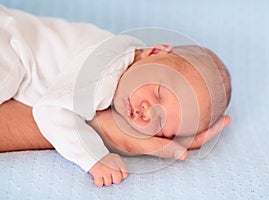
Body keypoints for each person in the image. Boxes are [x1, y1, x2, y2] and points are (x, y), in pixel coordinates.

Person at [0, 5, 232, 187]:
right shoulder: (106, 70)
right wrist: (94, 157)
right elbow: (51, 111)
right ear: (155, 51)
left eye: (161, 124)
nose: (147, 112)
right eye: (158, 92)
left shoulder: (128, 58)